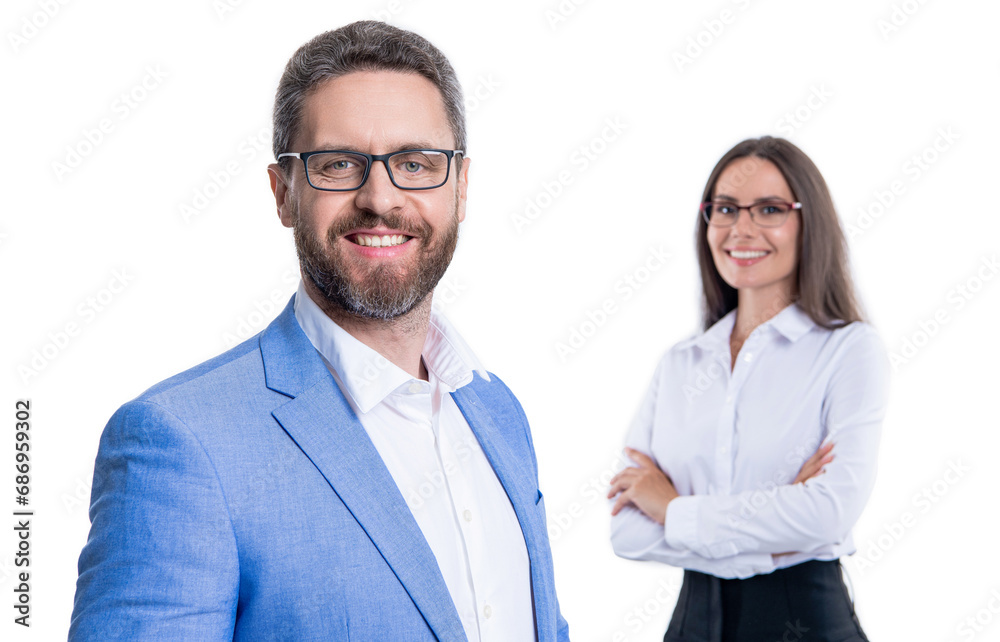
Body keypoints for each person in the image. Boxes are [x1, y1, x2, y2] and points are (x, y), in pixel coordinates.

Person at [71, 21, 569, 642]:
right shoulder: (181, 444)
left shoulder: (498, 412)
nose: (381, 198)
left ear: (461, 187)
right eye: (338, 165)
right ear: (283, 194)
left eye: (416, 163)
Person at [608, 136, 889, 641]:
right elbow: (626, 529)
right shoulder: (680, 364)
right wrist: (780, 521)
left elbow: (829, 513)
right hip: (693, 623)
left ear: (809, 222)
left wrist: (672, 509)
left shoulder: (849, 350)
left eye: (769, 209)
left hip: (804, 621)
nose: (742, 228)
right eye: (725, 209)